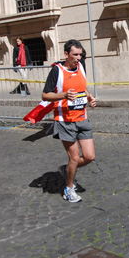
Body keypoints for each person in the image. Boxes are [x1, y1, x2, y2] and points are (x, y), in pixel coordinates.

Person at [41, 39, 97, 203]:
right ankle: (69, 188)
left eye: (80, 54)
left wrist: (89, 96)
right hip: (65, 121)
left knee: (89, 156)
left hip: (82, 119)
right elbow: (45, 95)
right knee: (74, 157)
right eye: (75, 55)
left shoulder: (81, 66)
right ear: (66, 54)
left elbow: (82, 88)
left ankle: (66, 170)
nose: (78, 58)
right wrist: (64, 95)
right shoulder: (56, 71)